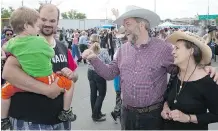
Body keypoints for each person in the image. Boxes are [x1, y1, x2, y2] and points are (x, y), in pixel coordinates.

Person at [82, 5, 218, 130]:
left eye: (127, 24)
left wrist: (204, 68)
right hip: (126, 114)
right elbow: (110, 73)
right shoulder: (123, 50)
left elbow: (184, 66)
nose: (124, 28)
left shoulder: (163, 49)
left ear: (141, 25)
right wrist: (94, 59)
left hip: (153, 116)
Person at [2, 4, 78, 130]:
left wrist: (72, 74)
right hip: (29, 121)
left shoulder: (62, 47)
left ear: (57, 22)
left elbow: (74, 74)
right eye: (43, 19)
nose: (47, 23)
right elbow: (8, 73)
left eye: (52, 20)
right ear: (35, 19)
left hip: (59, 122)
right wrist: (47, 90)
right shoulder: (22, 44)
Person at [162, 31, 218, 130]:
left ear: (191, 51)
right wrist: (165, 108)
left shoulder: (208, 81)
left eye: (177, 48)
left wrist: (188, 118)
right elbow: (167, 98)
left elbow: (216, 115)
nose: (173, 52)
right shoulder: (175, 74)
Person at [87, 34, 110, 122]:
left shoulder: (88, 50)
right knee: (101, 94)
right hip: (99, 73)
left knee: (93, 94)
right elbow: (108, 61)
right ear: (99, 40)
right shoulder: (103, 51)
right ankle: (95, 115)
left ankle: (96, 112)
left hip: (90, 72)